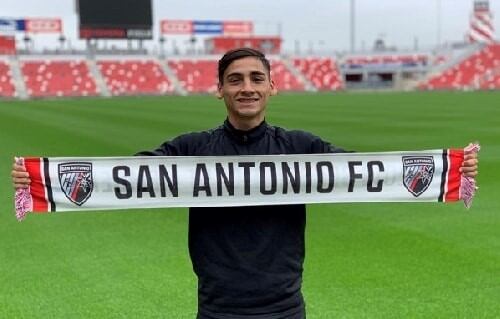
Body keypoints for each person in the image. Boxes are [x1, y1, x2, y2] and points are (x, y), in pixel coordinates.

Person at [12, 48, 479, 319]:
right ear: (219, 89)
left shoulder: (300, 145)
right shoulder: (191, 148)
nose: (246, 87)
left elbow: (370, 172)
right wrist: (43, 181)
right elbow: (130, 177)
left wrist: (451, 170)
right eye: (234, 80)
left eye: (257, 78)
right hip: (217, 308)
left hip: (284, 306)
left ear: (273, 87)